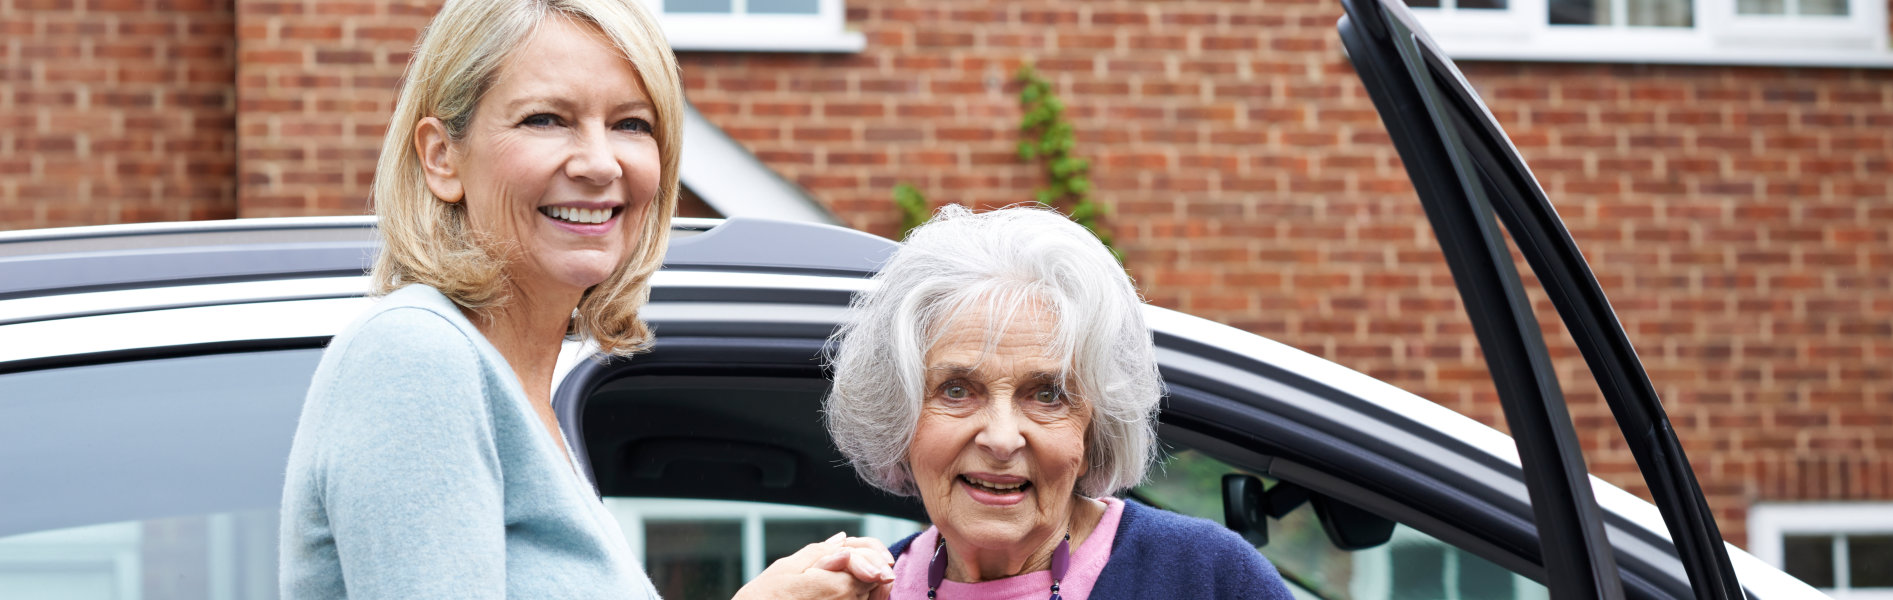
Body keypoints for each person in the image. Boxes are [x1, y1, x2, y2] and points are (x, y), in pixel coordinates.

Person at [278, 0, 892, 597]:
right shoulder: (415, 357)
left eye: (632, 124)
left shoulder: (523, 398)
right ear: (443, 158)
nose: (601, 164)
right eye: (546, 119)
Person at [824, 205, 1294, 599]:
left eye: (1048, 395)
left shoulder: (1203, 576)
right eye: (957, 390)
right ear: (900, 417)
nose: (1002, 439)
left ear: (1093, 430)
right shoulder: (866, 594)